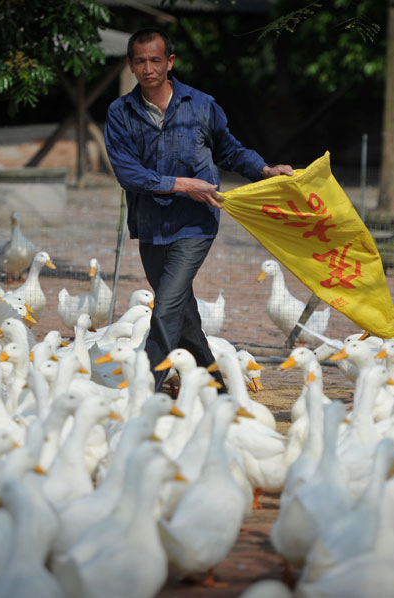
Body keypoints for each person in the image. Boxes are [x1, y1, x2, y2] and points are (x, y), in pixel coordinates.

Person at [104, 27, 293, 392]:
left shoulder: (202, 105)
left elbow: (230, 151)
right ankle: (218, 391)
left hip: (196, 225)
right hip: (150, 226)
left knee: (165, 309)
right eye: (140, 61)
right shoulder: (120, 113)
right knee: (183, 316)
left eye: (155, 60)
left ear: (170, 62)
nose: (148, 69)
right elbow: (128, 173)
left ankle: (143, 392)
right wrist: (183, 184)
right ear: (130, 65)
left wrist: (265, 170)